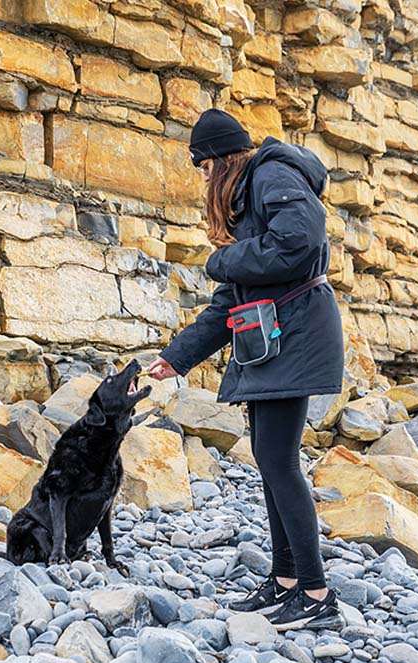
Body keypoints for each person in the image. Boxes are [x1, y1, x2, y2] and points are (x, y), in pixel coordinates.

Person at [147, 109, 345, 631]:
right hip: (272, 338)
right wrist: (175, 358)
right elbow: (226, 305)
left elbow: (299, 240)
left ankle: (317, 593)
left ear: (220, 159)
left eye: (204, 167)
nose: (203, 178)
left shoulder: (270, 174)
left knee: (279, 460)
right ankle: (285, 581)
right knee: (268, 457)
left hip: (296, 334)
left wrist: (221, 260)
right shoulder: (249, 194)